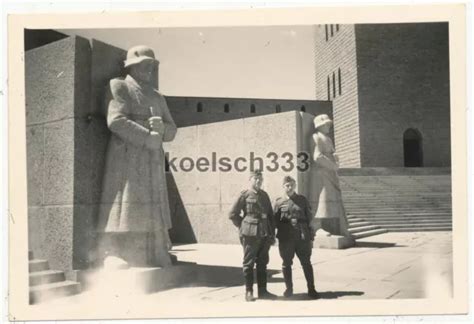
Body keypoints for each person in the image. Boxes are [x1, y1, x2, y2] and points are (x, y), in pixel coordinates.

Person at [97, 45, 177, 268]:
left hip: (151, 157)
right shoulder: (119, 86)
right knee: (123, 202)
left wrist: (161, 129)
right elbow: (116, 120)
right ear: (132, 66)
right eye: (145, 65)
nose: (150, 69)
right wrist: (147, 136)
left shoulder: (157, 97)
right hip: (127, 154)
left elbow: (172, 129)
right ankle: (112, 251)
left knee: (154, 205)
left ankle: (155, 250)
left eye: (152, 65)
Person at [229, 169, 276, 302]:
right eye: (255, 179)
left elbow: (271, 216)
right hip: (250, 235)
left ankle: (263, 291)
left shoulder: (264, 195)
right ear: (250, 180)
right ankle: (249, 291)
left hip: (264, 234)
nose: (258, 181)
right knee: (248, 263)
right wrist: (244, 226)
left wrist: (272, 234)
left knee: (262, 262)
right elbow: (232, 214)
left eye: (260, 179)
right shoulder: (245, 195)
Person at [274, 176, 319, 299]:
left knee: (306, 262)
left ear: (295, 186)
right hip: (286, 237)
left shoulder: (302, 200)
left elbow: (310, 218)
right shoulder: (279, 202)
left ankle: (311, 288)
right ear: (283, 187)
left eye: (292, 185)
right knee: (286, 263)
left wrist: (311, 235)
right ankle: (289, 289)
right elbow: (275, 221)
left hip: (301, 236)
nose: (289, 188)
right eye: (287, 185)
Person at [312, 114, 352, 237]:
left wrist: (335, 160)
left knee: (334, 200)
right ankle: (317, 227)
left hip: (331, 172)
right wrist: (332, 165)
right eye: (326, 124)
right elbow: (317, 156)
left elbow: (332, 153)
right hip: (323, 173)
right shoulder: (317, 137)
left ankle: (341, 227)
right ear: (320, 125)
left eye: (329, 124)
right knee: (323, 200)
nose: (329, 126)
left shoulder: (328, 139)